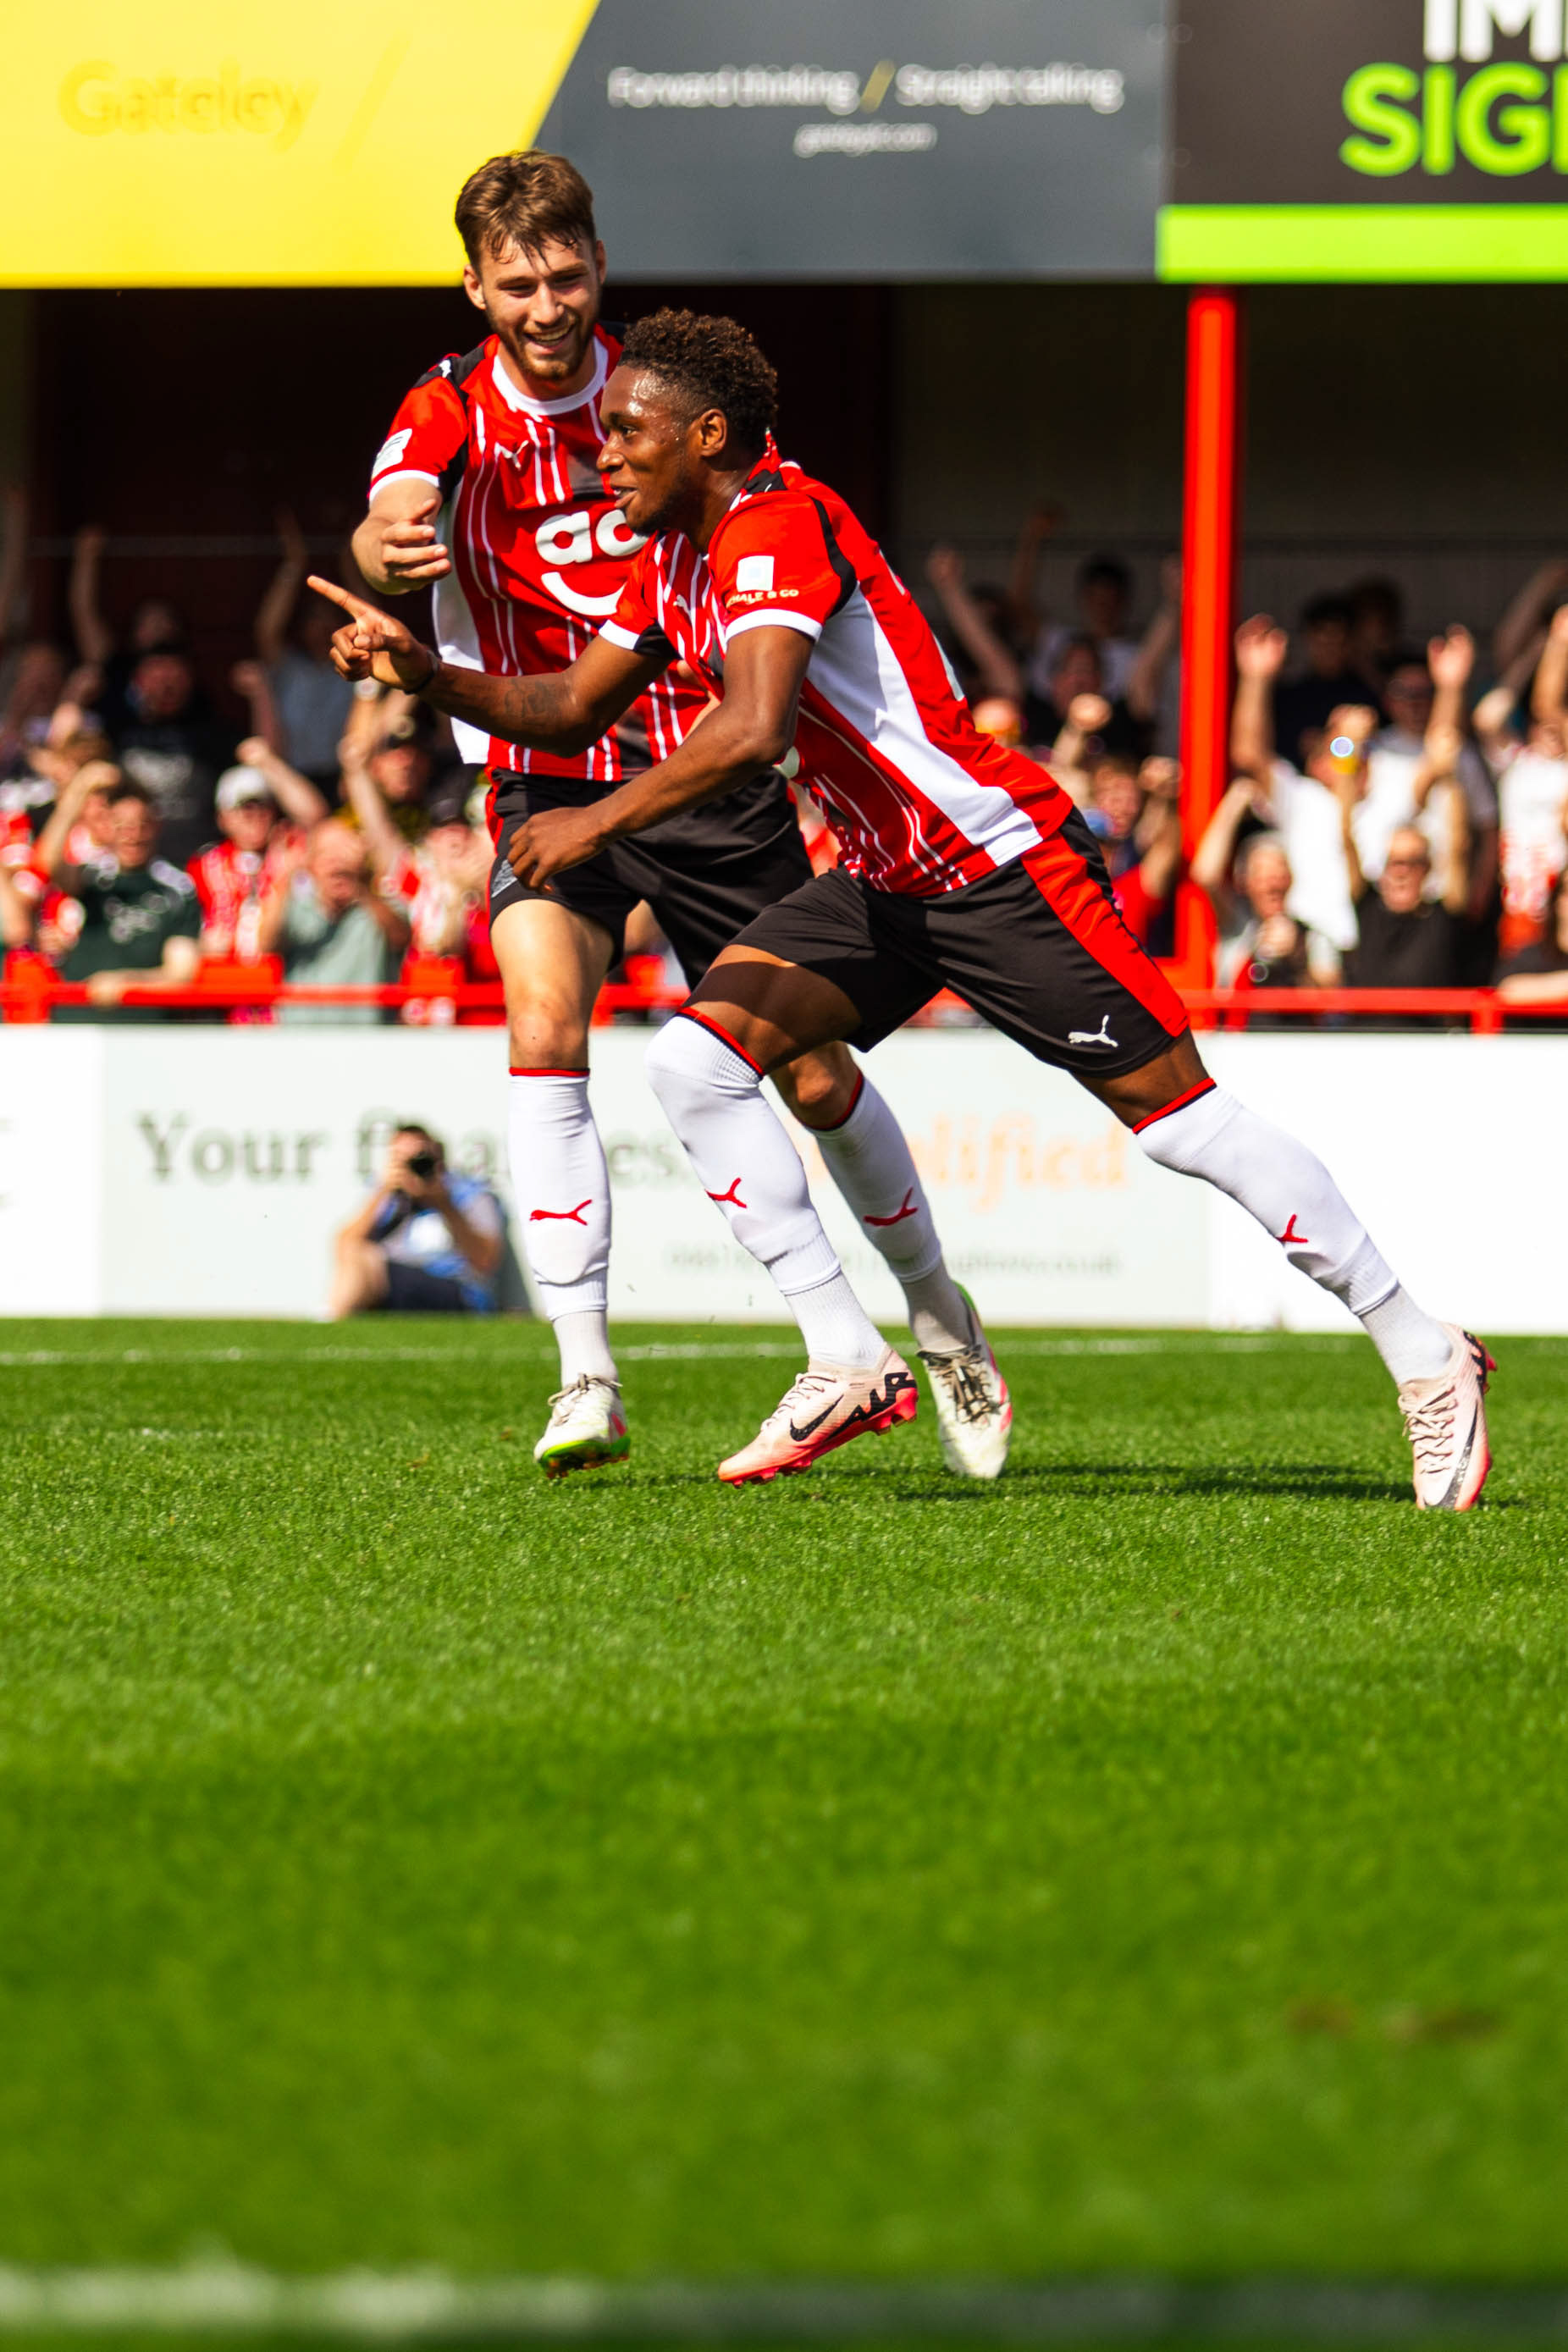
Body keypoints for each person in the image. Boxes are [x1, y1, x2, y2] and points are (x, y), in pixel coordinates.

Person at [313, 306, 1494, 1511]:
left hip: (996, 867)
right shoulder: (671, 551)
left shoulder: (779, 520)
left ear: (707, 434)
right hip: (881, 884)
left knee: (1178, 1120)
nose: (601, 451)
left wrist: (595, 822)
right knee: (694, 1065)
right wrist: (425, 671)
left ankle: (1425, 1351)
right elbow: (568, 708)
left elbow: (753, 727)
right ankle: (847, 1351)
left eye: (627, 430)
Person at [346, 148, 990, 1482]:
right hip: (544, 763)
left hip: (701, 763)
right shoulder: (448, 408)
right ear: (475, 287)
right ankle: (585, 1370)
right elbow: (392, 506)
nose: (544, 303)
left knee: (813, 1072)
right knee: (542, 1019)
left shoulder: (661, 394)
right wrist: (389, 546)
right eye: (516, 282)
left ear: (600, 267)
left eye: (565, 274)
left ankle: (937, 1308)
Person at [1228, 616, 1361, 960]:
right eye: (1338, 750)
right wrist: (1256, 678)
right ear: (1315, 762)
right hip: (1305, 948)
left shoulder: (1386, 799)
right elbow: (1248, 754)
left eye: (1360, 750)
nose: (1350, 756)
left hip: (1368, 955)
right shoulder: (1306, 799)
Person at [45, 778, 202, 1019]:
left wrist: (125, 983)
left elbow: (181, 973)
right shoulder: (92, 876)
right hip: (78, 1020)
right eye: (123, 826)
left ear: (157, 825)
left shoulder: (178, 888)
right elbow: (48, 862)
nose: (134, 836)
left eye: (142, 825)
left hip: (142, 1027)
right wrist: (79, 790)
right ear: (108, 827)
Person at [1333, 736, 1469, 997]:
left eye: (1412, 863)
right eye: (1393, 863)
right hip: (1368, 1035)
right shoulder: (1368, 905)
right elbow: (1345, 835)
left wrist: (1449, 778)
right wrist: (1347, 752)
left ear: (1428, 869)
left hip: (1428, 1037)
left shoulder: (1442, 915)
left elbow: (1458, 847)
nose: (1400, 872)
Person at [329, 1124, 505, 1318]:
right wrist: (383, 1190)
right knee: (358, 1253)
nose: (411, 1169)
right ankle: (334, 1321)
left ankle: (329, 1324)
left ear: (437, 1156)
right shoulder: (386, 1196)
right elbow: (344, 1245)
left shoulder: (469, 1192)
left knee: (367, 1259)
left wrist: (443, 1202)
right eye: (401, 1161)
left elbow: (485, 1259)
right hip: (392, 1289)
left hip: (452, 1288)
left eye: (418, 1159)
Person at [1476, 605, 1568, 963]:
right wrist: (1535, 653)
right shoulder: (1517, 761)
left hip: (1559, 893)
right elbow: (1487, 718)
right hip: (1520, 898)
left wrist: (1559, 646)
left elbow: (1549, 704)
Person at [256, 819, 410, 1024]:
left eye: (344, 852)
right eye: (326, 854)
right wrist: (288, 874)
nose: (337, 862)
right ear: (310, 864)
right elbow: (266, 944)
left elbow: (401, 936)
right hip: (303, 1040)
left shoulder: (381, 909)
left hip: (366, 1042)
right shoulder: (296, 909)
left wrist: (361, 887)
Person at [188, 746, 328, 960]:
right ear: (223, 818)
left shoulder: (290, 848)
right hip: (222, 977)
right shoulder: (204, 863)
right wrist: (199, 943)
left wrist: (268, 761)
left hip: (281, 972)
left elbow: (316, 817)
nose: (255, 816)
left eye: (262, 806)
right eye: (244, 808)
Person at [106, 643, 237, 870]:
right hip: (134, 863)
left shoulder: (214, 732)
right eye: (158, 678)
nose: (167, 686)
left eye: (175, 677)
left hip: (200, 864)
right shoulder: (116, 729)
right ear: (139, 681)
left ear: (190, 680)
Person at [248, 511, 355, 788]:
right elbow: (267, 630)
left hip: (345, 780)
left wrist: (350, 566)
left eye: (328, 618)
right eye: (313, 619)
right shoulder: (289, 666)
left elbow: (378, 628)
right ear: (302, 627)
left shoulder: (356, 665)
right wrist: (294, 564)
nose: (320, 627)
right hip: (295, 778)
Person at [1271, 594, 1366, 766]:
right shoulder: (1287, 698)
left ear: (1351, 642)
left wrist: (1332, 744)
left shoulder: (1366, 696)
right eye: (1323, 640)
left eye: (1338, 639)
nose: (1330, 649)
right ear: (1307, 639)